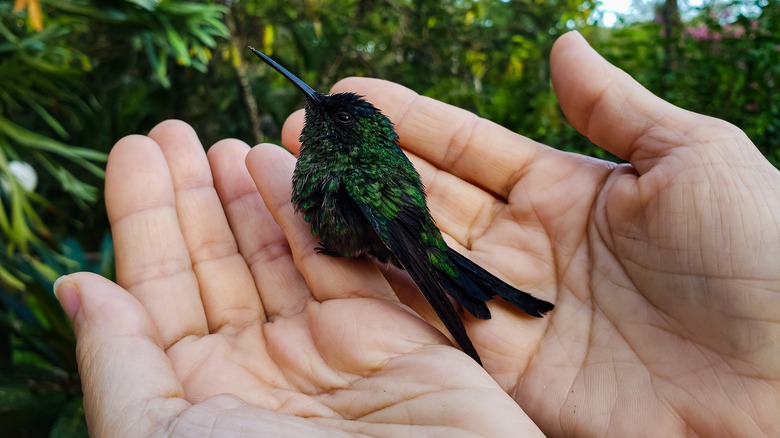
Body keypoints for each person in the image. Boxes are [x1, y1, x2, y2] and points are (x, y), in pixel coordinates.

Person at [53, 31, 780, 437]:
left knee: (438, 269)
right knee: (443, 267)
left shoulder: (355, 169)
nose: (313, 115)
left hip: (395, 236)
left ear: (342, 133)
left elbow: (396, 233)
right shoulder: (342, 155)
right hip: (386, 232)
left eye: (325, 115)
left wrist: (390, 250)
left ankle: (468, 296)